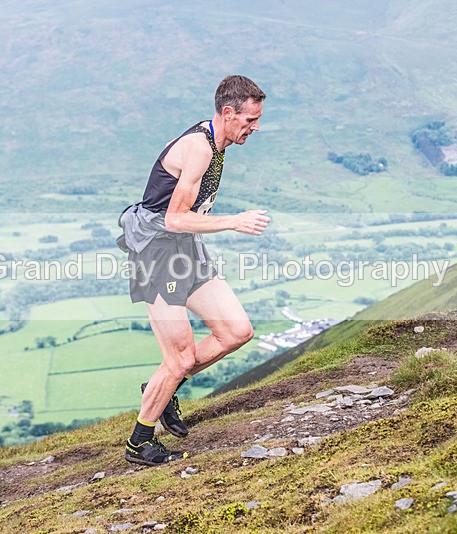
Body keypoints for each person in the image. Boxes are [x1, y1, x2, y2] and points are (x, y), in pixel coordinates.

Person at [118, 75, 270, 466]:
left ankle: (161, 388)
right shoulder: (199, 148)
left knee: (237, 331)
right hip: (156, 251)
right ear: (227, 112)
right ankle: (140, 442)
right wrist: (234, 221)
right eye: (250, 120)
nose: (255, 127)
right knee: (181, 357)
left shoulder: (220, 143)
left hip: (185, 248)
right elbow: (174, 218)